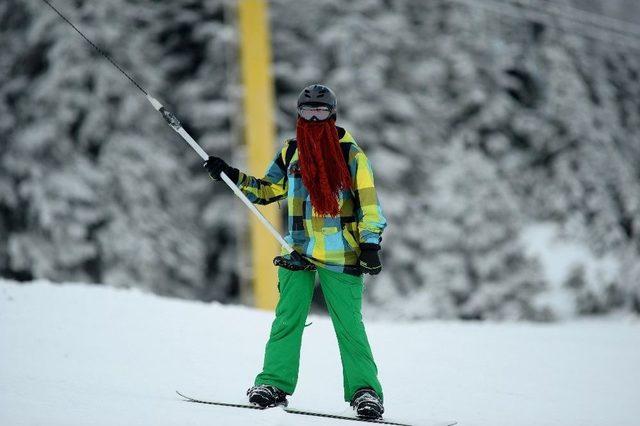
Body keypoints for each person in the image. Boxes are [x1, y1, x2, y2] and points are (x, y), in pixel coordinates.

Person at [204, 84, 387, 419]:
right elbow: (267, 190)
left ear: (333, 114)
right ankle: (273, 384)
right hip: (298, 251)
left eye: (321, 111)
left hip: (341, 253)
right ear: (298, 115)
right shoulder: (291, 152)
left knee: (349, 326)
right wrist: (231, 175)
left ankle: (365, 392)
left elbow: (369, 204)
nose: (314, 117)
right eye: (307, 111)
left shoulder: (351, 155)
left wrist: (371, 243)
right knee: (287, 320)